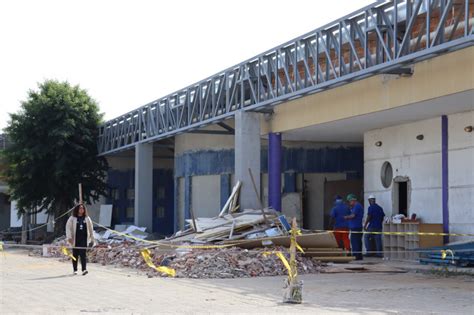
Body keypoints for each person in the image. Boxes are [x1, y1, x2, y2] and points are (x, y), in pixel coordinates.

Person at [65, 204, 95, 275]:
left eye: (83, 208)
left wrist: (92, 239)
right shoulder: (72, 218)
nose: (81, 210)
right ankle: (75, 269)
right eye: (80, 208)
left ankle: (84, 269)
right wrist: (69, 238)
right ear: (77, 209)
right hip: (75, 239)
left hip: (84, 239)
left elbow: (91, 229)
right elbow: (68, 228)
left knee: (83, 254)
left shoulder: (87, 218)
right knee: (75, 255)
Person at [344, 194, 364, 260]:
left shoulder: (357, 206)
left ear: (353, 200)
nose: (349, 203)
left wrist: (346, 217)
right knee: (357, 241)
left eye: (349, 201)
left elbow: (353, 216)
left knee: (355, 242)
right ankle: (359, 256)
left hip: (356, 227)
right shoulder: (356, 206)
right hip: (356, 226)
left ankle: (356, 256)